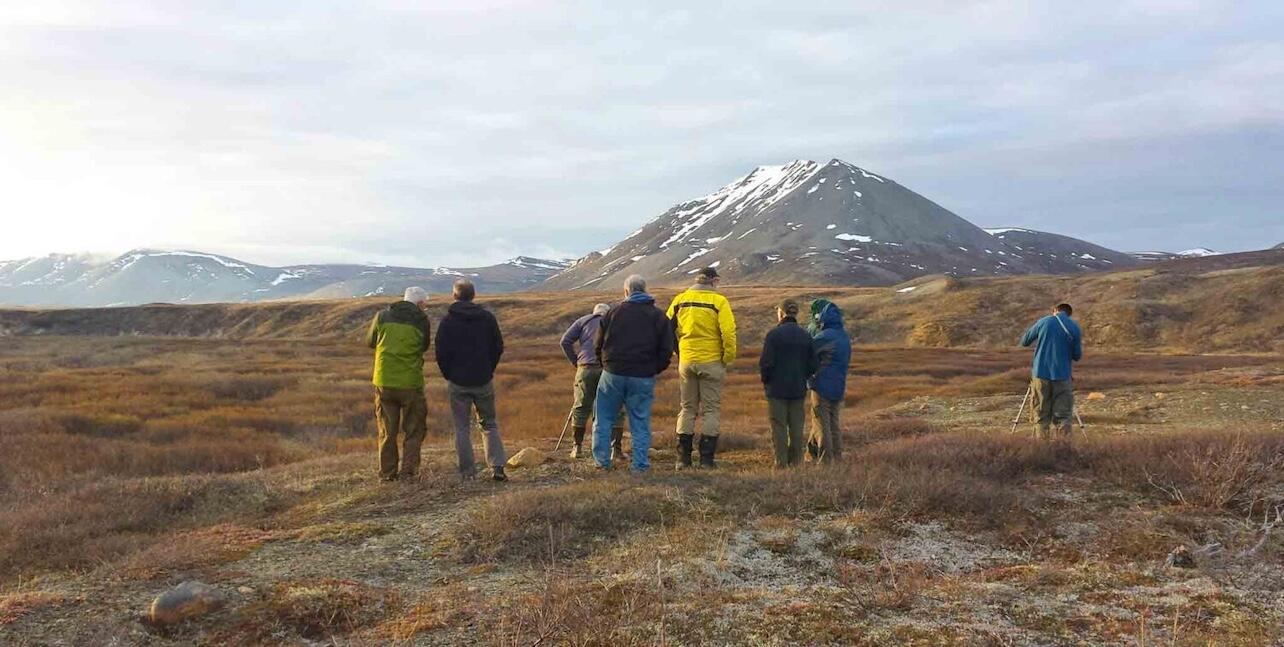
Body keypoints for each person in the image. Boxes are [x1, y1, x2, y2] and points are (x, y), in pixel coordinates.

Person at [592, 275, 674, 472]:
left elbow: (598, 344)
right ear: (645, 290)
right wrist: (654, 369)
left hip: (612, 373)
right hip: (642, 375)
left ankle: (602, 462)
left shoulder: (612, 313)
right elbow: (666, 349)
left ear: (626, 291)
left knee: (603, 419)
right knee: (640, 421)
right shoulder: (658, 316)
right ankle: (640, 465)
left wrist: (605, 364)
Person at [435, 279, 508, 481]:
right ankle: (497, 467)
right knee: (489, 424)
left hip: (458, 381)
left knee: (461, 427)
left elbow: (440, 352)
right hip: (483, 379)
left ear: (454, 295)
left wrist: (449, 374)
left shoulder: (448, 321)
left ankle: (467, 473)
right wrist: (488, 369)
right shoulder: (487, 318)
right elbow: (498, 347)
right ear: (473, 295)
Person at [666, 266, 737, 469]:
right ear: (714, 281)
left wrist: (678, 352)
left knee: (687, 408)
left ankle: (683, 459)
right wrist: (727, 357)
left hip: (687, 360)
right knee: (711, 410)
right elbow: (728, 332)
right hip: (712, 361)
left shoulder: (680, 299)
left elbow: (666, 328)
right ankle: (706, 460)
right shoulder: (719, 301)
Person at [364, 287, 431, 482]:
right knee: (414, 428)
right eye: (425, 304)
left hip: (384, 381)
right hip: (411, 382)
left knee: (387, 430)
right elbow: (424, 346)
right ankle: (408, 473)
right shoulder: (421, 321)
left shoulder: (382, 316)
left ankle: (387, 474)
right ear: (419, 303)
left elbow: (370, 342)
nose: (425, 307)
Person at [559, 303, 626, 460]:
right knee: (615, 408)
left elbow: (565, 341)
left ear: (594, 312)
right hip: (609, 368)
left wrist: (575, 361)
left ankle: (577, 448)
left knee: (581, 407)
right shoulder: (614, 322)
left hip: (586, 368)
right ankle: (615, 451)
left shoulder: (583, 321)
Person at [759, 299, 819, 468]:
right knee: (796, 428)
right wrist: (802, 376)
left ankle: (781, 463)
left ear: (782, 313)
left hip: (776, 390)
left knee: (779, 427)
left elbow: (766, 363)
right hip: (798, 389)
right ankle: (797, 463)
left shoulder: (773, 335)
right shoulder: (806, 335)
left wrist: (767, 382)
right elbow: (813, 364)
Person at [1019, 303, 1083, 439]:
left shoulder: (1044, 322)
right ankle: (1063, 448)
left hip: (1040, 375)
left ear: (1055, 310)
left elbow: (1024, 341)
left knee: (1041, 415)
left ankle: (1043, 449)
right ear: (1069, 313)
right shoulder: (1074, 327)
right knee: (1063, 416)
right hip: (1063, 376)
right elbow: (1077, 356)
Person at [807, 301, 851, 463]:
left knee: (821, 424)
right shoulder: (843, 336)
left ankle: (825, 462)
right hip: (839, 386)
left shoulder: (825, 337)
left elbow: (807, 351)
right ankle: (836, 458)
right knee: (834, 425)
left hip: (822, 386)